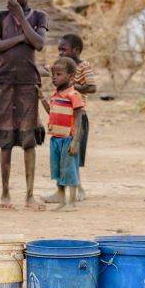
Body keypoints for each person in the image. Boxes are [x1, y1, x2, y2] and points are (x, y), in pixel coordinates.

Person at [0, 0, 48, 210]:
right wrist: (21, 38)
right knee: (5, 139)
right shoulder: (1, 17)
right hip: (5, 82)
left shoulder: (39, 16)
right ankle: (5, 194)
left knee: (28, 140)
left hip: (27, 83)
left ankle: (30, 195)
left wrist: (22, 19)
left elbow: (39, 43)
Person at [39, 57, 85, 210]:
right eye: (53, 74)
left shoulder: (74, 96)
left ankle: (71, 202)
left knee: (70, 170)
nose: (54, 77)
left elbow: (79, 121)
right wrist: (42, 99)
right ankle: (62, 200)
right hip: (56, 139)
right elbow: (51, 113)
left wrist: (75, 142)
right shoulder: (55, 95)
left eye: (59, 74)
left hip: (68, 139)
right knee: (59, 170)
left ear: (71, 77)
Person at [58, 33, 97, 201]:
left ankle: (79, 189)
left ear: (76, 50)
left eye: (64, 50)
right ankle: (68, 189)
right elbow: (47, 71)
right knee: (63, 153)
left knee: (73, 153)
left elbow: (92, 87)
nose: (60, 53)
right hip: (63, 115)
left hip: (78, 115)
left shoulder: (84, 65)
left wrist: (72, 86)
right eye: (59, 50)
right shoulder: (61, 66)